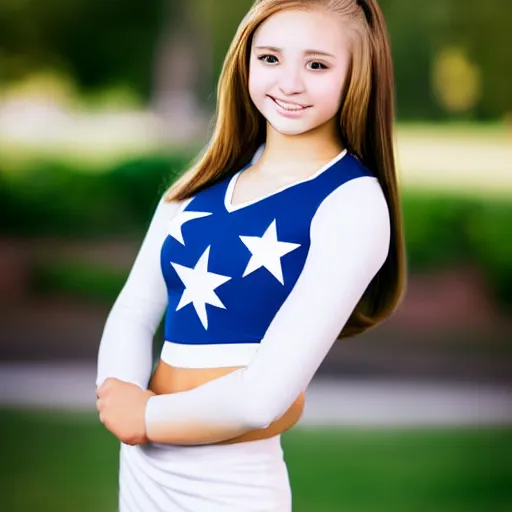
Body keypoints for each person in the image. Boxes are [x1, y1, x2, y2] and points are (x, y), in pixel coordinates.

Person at [96, 0, 406, 510]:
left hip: (230, 484)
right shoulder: (199, 186)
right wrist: (118, 395)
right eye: (269, 58)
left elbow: (263, 398)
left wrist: (145, 418)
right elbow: (134, 308)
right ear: (243, 62)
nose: (288, 82)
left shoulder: (352, 202)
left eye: (317, 64)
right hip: (143, 470)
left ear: (358, 74)